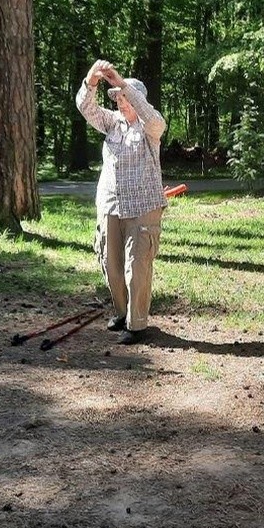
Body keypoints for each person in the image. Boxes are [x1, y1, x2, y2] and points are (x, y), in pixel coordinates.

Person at [76, 59, 168, 344]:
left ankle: (137, 323)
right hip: (111, 204)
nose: (121, 102)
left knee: (137, 265)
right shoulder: (111, 123)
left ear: (137, 99)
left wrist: (122, 83)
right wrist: (92, 80)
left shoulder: (150, 128)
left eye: (126, 98)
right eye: (117, 98)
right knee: (110, 261)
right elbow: (85, 107)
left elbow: (153, 119)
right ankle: (121, 312)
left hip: (143, 207)